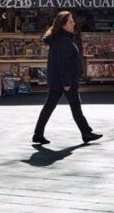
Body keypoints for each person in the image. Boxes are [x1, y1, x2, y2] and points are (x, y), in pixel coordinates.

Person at [32, 11, 102, 145]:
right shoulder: (64, 40)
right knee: (72, 107)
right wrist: (66, 82)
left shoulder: (62, 38)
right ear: (63, 25)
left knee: (52, 107)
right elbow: (63, 63)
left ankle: (38, 134)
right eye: (70, 21)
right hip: (65, 81)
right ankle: (86, 133)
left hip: (60, 80)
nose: (74, 23)